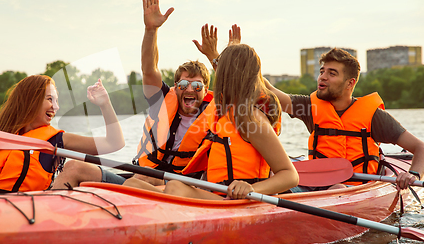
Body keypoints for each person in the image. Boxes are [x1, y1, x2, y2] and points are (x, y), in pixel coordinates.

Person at [0, 75, 125, 201]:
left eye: (56, 101)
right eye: (49, 100)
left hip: (18, 209)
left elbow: (113, 143)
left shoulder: (57, 140)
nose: (55, 107)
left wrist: (105, 104)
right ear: (31, 101)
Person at [263, 48, 424, 191]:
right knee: (274, 181)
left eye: (331, 73)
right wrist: (240, 56)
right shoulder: (310, 107)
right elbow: (269, 91)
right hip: (315, 186)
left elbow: (420, 148)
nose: (322, 77)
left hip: (356, 189)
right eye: (322, 71)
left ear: (350, 83)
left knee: (337, 187)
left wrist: (414, 174)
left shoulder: (374, 117)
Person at [163, 44, 299, 200]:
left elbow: (290, 175)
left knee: (174, 187)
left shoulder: (251, 119)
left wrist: (251, 189)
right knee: (137, 185)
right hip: (220, 196)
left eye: (221, 69)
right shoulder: (225, 112)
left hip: (239, 202)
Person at [123, 0, 215, 190]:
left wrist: (214, 58)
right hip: (143, 176)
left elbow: (239, 88)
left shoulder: (217, 112)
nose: (189, 89)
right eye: (183, 84)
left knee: (139, 183)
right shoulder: (162, 100)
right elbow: (149, 69)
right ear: (176, 87)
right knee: (78, 168)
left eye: (197, 85)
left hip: (183, 187)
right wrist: (151, 30)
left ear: (206, 89)